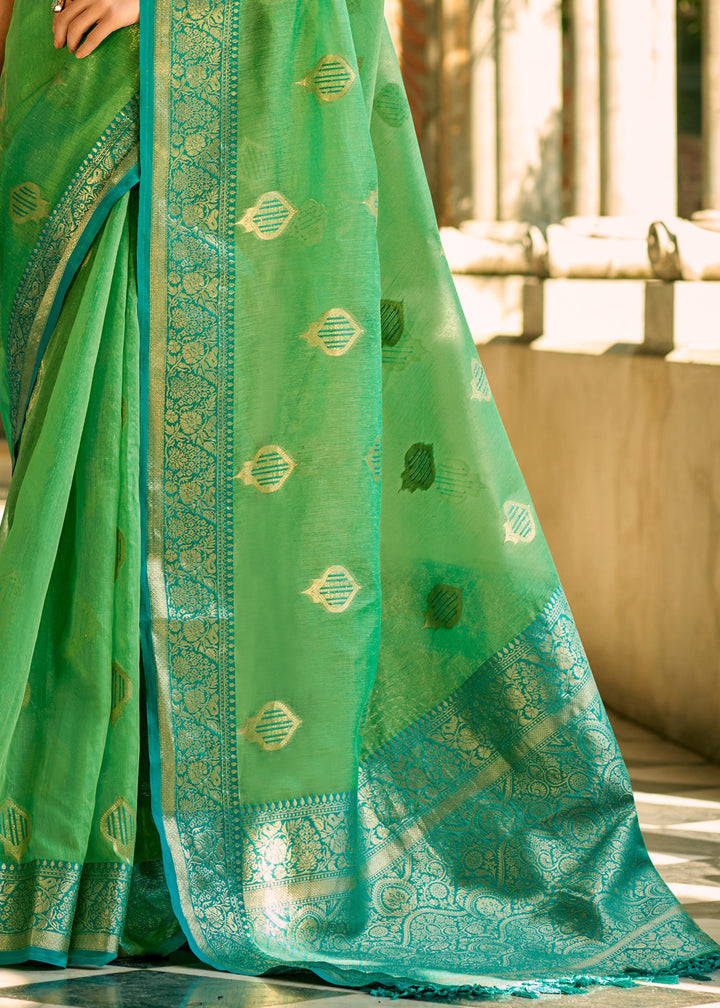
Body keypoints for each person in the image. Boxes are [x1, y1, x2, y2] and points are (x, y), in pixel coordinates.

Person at [0, 0, 718, 995]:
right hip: (95, 94)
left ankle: (224, 863)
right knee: (94, 477)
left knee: (244, 496)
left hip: (231, 118)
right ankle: (85, 861)